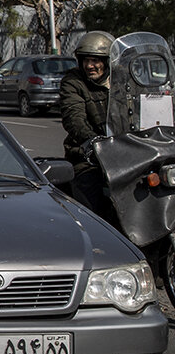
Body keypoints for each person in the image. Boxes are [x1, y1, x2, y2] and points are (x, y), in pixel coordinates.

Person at [61, 30, 117, 222]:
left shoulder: (124, 79)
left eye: (96, 60)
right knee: (91, 206)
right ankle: (95, 240)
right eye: (86, 60)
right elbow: (73, 118)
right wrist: (93, 141)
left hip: (126, 154)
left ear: (109, 61)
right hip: (89, 156)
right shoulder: (74, 81)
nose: (90, 66)